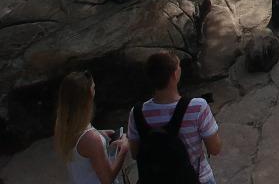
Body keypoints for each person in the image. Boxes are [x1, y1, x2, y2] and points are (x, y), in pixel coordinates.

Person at [127, 51, 221, 184]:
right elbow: (214, 149)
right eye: (179, 66)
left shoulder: (137, 113)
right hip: (196, 179)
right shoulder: (197, 107)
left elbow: (135, 154)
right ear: (174, 75)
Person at [54, 71, 129, 184]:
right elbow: (107, 179)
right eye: (93, 88)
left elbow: (81, 144)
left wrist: (100, 134)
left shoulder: (63, 124)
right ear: (88, 95)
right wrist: (123, 150)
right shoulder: (91, 139)